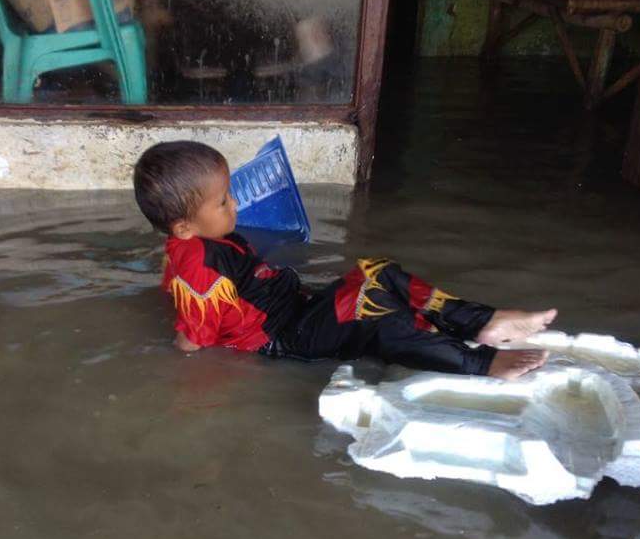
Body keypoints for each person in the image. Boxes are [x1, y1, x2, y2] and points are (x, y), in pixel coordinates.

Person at [133, 141, 555, 379]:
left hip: (298, 311)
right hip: (286, 338)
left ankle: (483, 322)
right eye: (223, 201)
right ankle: (482, 364)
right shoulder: (197, 266)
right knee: (373, 310)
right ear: (184, 228)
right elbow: (194, 338)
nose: (236, 203)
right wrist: (181, 367)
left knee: (378, 273)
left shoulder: (201, 242)